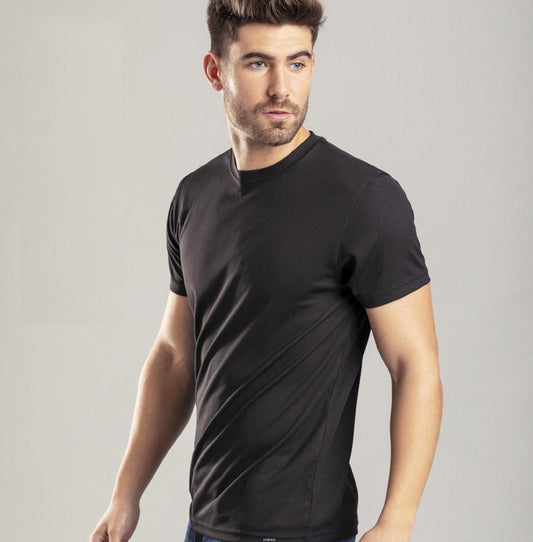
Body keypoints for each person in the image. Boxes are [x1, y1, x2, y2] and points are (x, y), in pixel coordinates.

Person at [90, 1, 443, 541]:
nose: (282, 88)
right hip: (203, 525)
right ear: (215, 71)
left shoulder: (364, 199)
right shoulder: (194, 197)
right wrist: (125, 495)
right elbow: (174, 357)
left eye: (296, 63)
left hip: (302, 531)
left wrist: (397, 522)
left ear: (312, 65)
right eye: (258, 63)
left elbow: (415, 365)